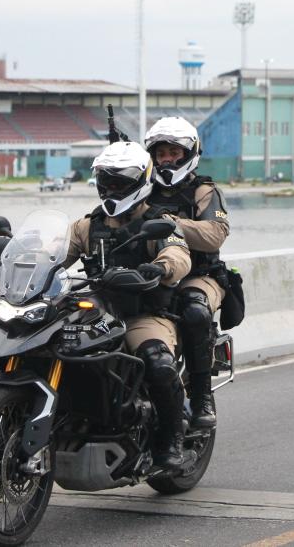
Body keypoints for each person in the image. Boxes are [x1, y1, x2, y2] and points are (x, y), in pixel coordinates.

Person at [63, 141, 192, 469]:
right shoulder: (87, 225)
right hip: (96, 311)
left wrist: (161, 267)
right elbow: (54, 254)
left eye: (120, 182)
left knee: (157, 361)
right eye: (107, 180)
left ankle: (172, 440)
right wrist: (18, 261)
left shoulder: (159, 221)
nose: (112, 188)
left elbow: (178, 254)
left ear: (140, 181)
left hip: (143, 313)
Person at [144, 117, 229, 429]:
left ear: (189, 153)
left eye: (174, 152)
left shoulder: (204, 191)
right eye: (161, 153)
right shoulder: (140, 189)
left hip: (199, 274)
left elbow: (214, 234)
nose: (167, 159)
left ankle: (201, 393)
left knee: (194, 309)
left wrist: (170, 222)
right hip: (150, 272)